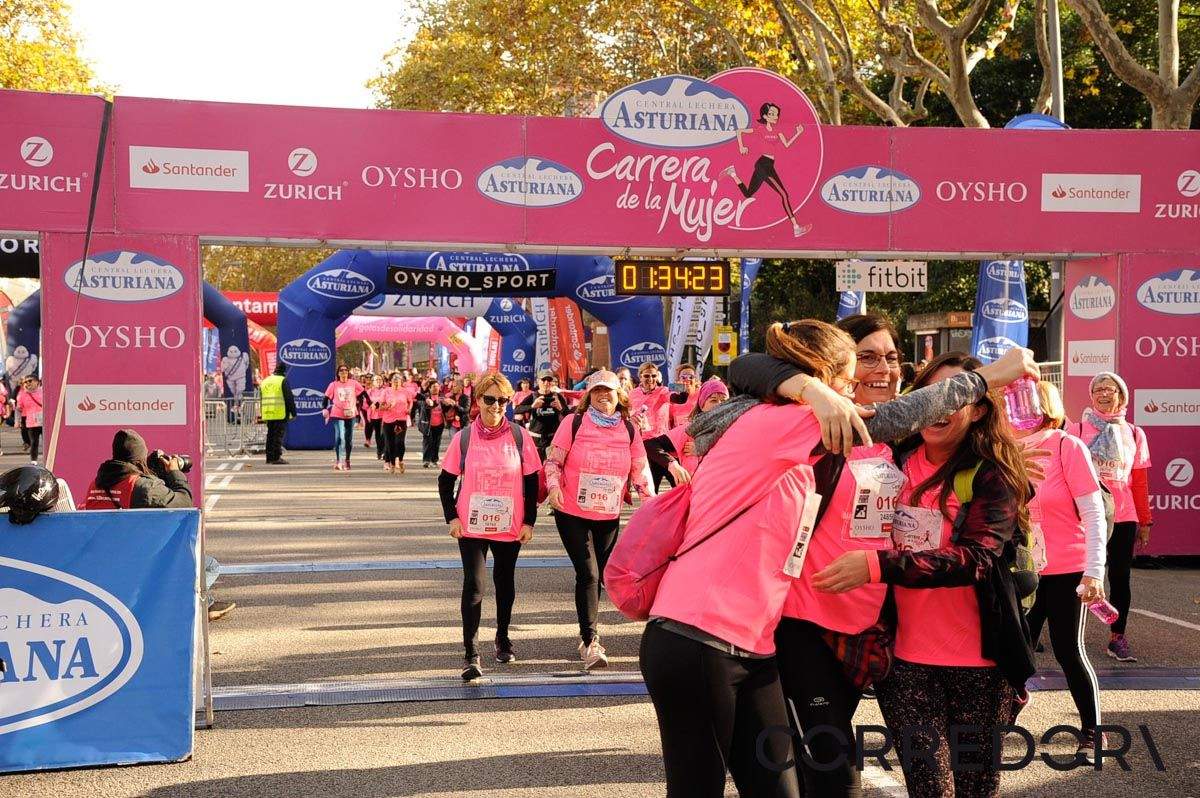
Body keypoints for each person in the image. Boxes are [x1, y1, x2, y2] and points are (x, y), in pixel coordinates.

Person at [720, 316, 1040, 798]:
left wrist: (875, 568)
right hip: (822, 627)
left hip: (893, 636)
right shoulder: (819, 422)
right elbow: (745, 366)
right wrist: (814, 391)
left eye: (891, 357)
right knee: (838, 770)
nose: (882, 368)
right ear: (839, 365)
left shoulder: (908, 441)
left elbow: (977, 553)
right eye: (867, 356)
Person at [639, 320, 860, 798]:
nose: (852, 394)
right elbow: (892, 417)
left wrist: (814, 389)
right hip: (696, 637)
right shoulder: (783, 421)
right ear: (824, 378)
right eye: (848, 383)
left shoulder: (778, 418)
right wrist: (985, 379)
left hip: (753, 645)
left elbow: (746, 367)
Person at [812, 352, 1034, 798]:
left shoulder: (992, 475)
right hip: (905, 664)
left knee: (974, 789)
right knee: (930, 789)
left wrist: (876, 566)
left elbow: (978, 558)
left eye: (955, 397)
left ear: (978, 409)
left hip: (982, 668)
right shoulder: (891, 457)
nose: (940, 409)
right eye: (933, 396)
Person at [1013, 381, 1107, 753]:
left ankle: (1092, 732)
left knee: (1068, 651)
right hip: (1025, 572)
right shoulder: (1008, 451)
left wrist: (1094, 570)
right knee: (1016, 650)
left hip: (1069, 568)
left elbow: (1094, 513)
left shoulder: (1069, 446)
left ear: (1046, 406)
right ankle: (1004, 722)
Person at [544, 370, 652, 671]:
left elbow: (640, 470)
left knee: (602, 575)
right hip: (571, 512)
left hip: (608, 512)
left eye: (609, 391)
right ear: (588, 396)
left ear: (620, 396)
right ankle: (590, 640)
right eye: (597, 391)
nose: (603, 396)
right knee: (588, 573)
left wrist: (652, 505)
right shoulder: (573, 423)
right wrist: (553, 486)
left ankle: (588, 634)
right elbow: (553, 460)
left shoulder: (629, 429)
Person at [437, 372, 541, 681]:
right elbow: (445, 481)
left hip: (509, 524)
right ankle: (471, 654)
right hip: (471, 524)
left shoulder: (520, 437)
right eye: (490, 399)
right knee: (475, 586)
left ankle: (503, 636)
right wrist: (451, 517)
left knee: (504, 582)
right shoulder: (465, 437)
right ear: (479, 400)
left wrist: (529, 521)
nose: (496, 406)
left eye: (502, 400)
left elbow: (532, 480)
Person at [81, 429, 235, 622]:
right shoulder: (141, 487)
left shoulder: (96, 483)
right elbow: (183, 501)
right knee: (210, 565)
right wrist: (174, 472)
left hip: (103, 563)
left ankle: (206, 603)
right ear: (139, 459)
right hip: (139, 564)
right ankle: (182, 605)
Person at [1067, 371, 1151, 663]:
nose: (1104, 394)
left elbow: (1138, 482)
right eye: (1098, 389)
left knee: (1119, 577)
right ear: (1091, 396)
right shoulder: (1076, 430)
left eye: (1110, 389)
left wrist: (1146, 521)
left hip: (1124, 515)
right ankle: (1060, 633)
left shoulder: (1135, 433)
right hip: (1086, 514)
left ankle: (1117, 638)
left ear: (1121, 396)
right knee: (1074, 575)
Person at [722, 102, 811, 238]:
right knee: (784, 194)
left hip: (768, 165)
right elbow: (739, 131)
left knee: (748, 194)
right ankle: (796, 227)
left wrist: (798, 133)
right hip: (763, 165)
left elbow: (786, 144)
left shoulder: (777, 131)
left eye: (776, 114)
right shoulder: (760, 129)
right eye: (771, 114)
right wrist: (741, 146)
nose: (775, 116)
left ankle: (732, 173)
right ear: (765, 116)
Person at [644, 378, 729, 485]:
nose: (719, 404)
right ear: (702, 404)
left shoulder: (735, 426)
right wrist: (673, 465)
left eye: (724, 400)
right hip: (696, 493)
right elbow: (649, 445)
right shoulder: (689, 429)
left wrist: (704, 447)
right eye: (713, 400)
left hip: (726, 491)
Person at [628, 362, 673, 489]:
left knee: (679, 485)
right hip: (642, 446)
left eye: (653, 376)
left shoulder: (663, 391)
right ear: (640, 376)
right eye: (647, 376)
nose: (650, 379)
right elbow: (626, 416)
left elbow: (679, 398)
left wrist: (682, 388)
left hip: (662, 444)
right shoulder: (632, 394)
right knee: (650, 489)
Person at [513, 371, 569, 461]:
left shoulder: (557, 397)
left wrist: (560, 408)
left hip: (553, 439)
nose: (546, 383)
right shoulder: (533, 396)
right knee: (534, 466)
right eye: (543, 380)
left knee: (552, 467)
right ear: (538, 381)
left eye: (549, 380)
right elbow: (517, 410)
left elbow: (568, 416)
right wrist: (532, 406)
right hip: (536, 438)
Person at [324, 364, 364, 471]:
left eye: (346, 370)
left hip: (350, 413)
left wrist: (359, 408)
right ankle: (339, 461)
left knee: (348, 439)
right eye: (341, 370)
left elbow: (362, 394)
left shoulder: (354, 383)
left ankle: (347, 460)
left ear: (348, 373)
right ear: (338, 373)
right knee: (339, 437)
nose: (343, 372)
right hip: (337, 413)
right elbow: (326, 397)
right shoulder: (334, 385)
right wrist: (324, 409)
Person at [260, 362, 296, 465]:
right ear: (284, 371)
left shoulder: (265, 381)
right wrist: (293, 413)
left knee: (270, 435)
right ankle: (276, 457)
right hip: (280, 413)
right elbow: (289, 398)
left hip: (268, 412)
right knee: (278, 436)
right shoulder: (282, 380)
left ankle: (269, 457)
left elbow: (261, 398)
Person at [380, 372, 413, 474]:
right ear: (390, 382)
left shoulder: (405, 392)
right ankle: (393, 464)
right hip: (388, 420)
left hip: (401, 420)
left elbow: (410, 401)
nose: (396, 382)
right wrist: (387, 406)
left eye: (398, 380)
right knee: (390, 443)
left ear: (401, 382)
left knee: (399, 442)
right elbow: (381, 406)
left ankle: (401, 460)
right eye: (394, 380)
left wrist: (409, 409)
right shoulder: (386, 391)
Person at [417, 380, 448, 468]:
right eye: (434, 387)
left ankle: (434, 460)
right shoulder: (426, 397)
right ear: (429, 388)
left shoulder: (442, 397)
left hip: (439, 423)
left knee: (436, 443)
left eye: (437, 387)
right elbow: (426, 407)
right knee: (428, 442)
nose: (436, 388)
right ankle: (426, 460)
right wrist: (436, 403)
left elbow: (446, 409)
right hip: (428, 424)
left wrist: (449, 404)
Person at [16, 375, 43, 465]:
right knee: (34, 442)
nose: (27, 383)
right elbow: (18, 409)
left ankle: (49, 459)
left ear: (37, 382)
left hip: (44, 422)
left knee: (46, 442)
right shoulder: (22, 395)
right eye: (25, 382)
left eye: (30, 381)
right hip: (31, 423)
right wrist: (17, 421)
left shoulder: (44, 391)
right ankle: (34, 461)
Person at [668, 363, 699, 430]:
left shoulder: (701, 394)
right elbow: (669, 423)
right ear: (678, 380)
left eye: (691, 377)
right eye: (683, 377)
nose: (687, 379)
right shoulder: (673, 398)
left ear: (696, 380)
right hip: (679, 437)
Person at [365, 374, 387, 460]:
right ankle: (379, 451)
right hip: (373, 415)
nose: (378, 381)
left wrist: (379, 404)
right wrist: (372, 405)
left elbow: (387, 400)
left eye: (380, 380)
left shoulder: (385, 391)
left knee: (383, 434)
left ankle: (384, 451)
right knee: (378, 435)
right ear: (373, 382)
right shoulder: (369, 391)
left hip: (384, 415)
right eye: (376, 380)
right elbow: (365, 404)